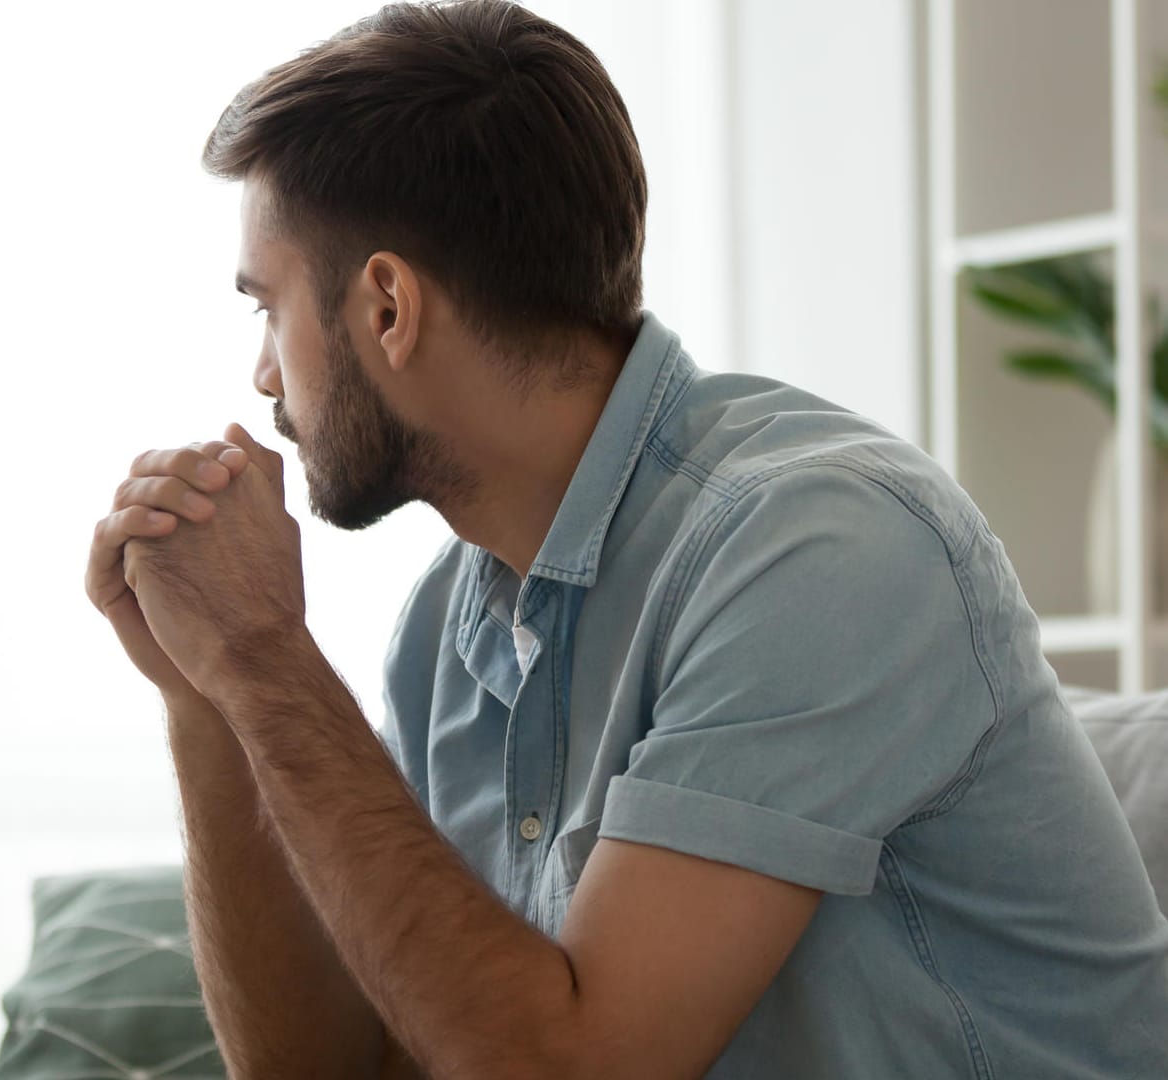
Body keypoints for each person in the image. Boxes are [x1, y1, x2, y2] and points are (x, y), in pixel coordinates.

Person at [84, 1, 1168, 1076]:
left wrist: (269, 660)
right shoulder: (448, 630)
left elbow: (574, 1069)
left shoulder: (821, 547)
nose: (263, 376)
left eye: (267, 309)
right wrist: (209, 696)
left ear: (387, 309)